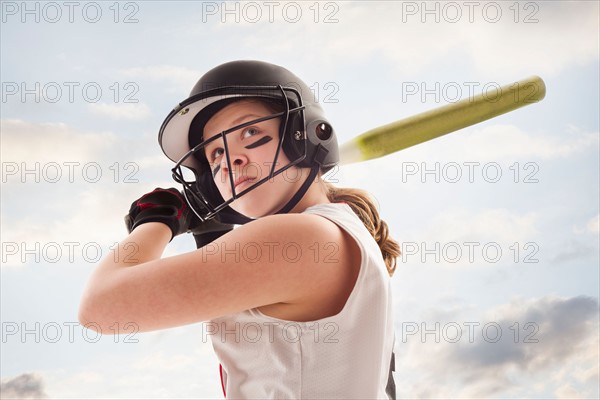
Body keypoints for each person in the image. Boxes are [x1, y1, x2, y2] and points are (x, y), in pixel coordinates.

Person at [79, 60, 400, 399]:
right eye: (216, 153)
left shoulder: (302, 238)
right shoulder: (331, 233)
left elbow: (101, 308)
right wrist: (209, 234)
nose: (231, 160)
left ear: (304, 132)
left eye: (250, 132)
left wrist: (156, 219)